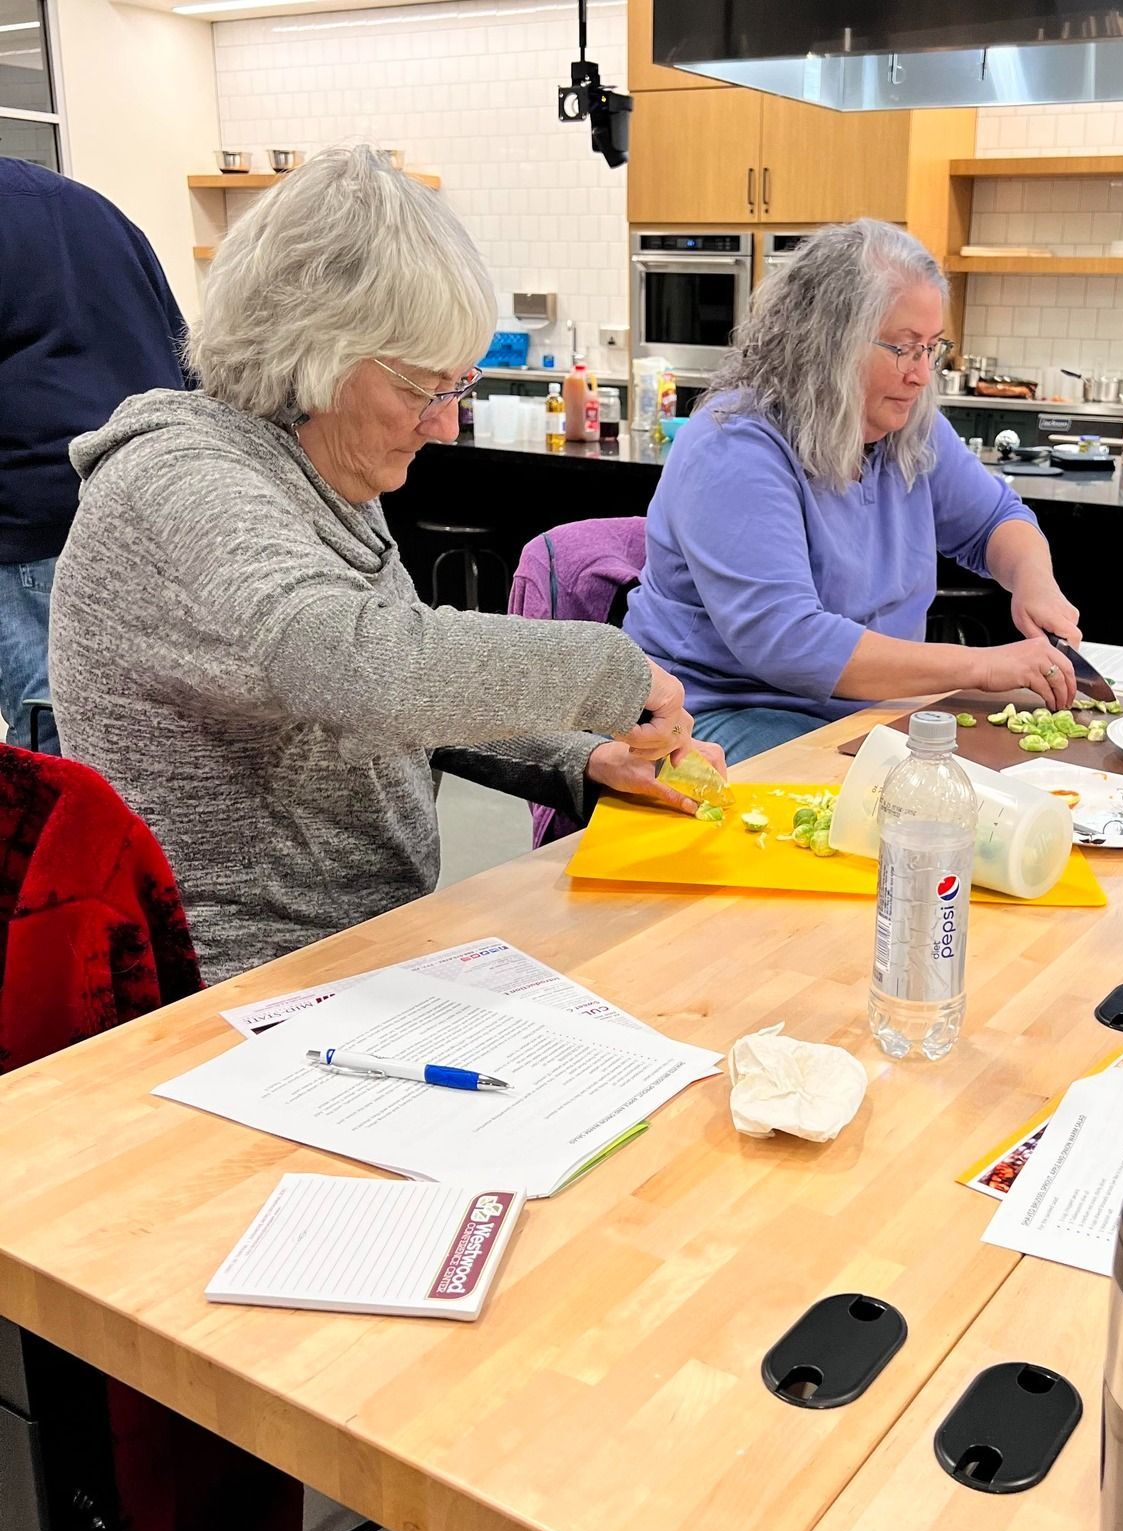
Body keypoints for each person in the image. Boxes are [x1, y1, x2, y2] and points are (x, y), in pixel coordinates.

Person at [51, 147, 723, 983]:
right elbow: (357, 666)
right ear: (316, 353)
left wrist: (582, 756)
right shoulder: (182, 475)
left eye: (456, 386)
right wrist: (611, 673)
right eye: (423, 389)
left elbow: (408, 692)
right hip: (226, 980)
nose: (445, 426)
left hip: (368, 941)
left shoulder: (323, 460)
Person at [624, 218, 1083, 764]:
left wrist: (1036, 584)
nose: (921, 374)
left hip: (868, 711)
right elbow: (789, 641)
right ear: (829, 342)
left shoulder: (907, 426)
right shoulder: (734, 445)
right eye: (904, 348)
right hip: (719, 720)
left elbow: (994, 521)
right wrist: (984, 667)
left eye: (932, 349)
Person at [0, 155, 190, 755]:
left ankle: (79, 851)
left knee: (61, 733)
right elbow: (187, 356)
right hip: (157, 510)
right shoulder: (92, 209)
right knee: (148, 723)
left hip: (36, 525)